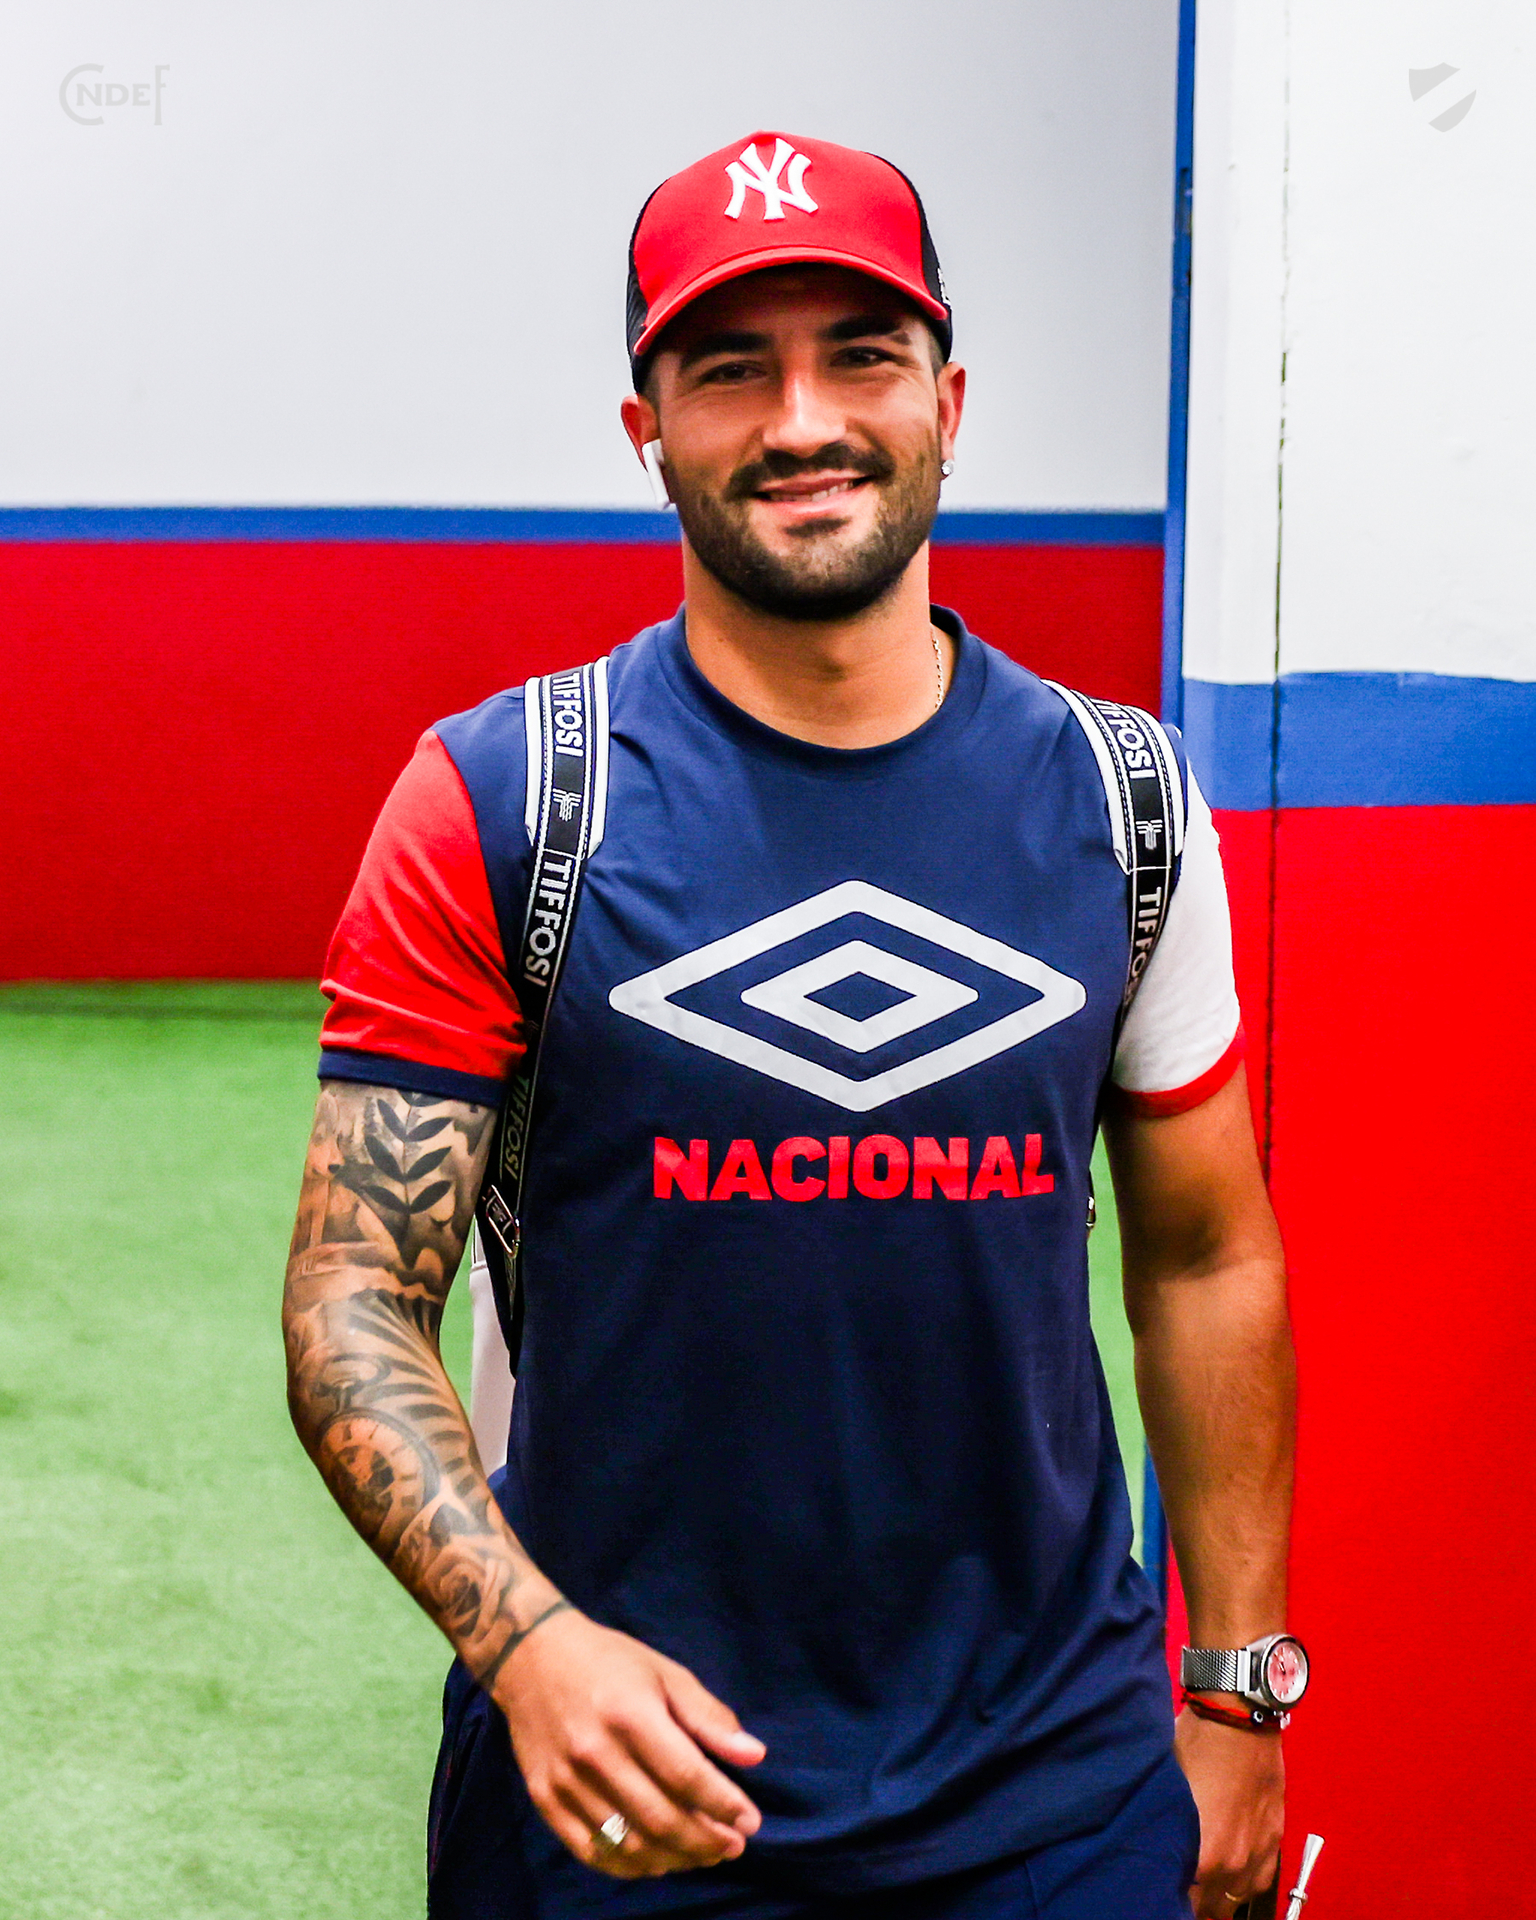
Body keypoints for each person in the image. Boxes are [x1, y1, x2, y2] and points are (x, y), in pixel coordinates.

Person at [282, 132, 1297, 1920]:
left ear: (949, 403)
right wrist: (529, 1648)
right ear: (648, 429)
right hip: (631, 1785)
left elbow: (1207, 1258)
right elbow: (352, 1296)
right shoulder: (507, 802)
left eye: (863, 357)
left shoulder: (1125, 799)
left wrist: (1235, 1686)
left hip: (1052, 1792)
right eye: (731, 370)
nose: (803, 420)